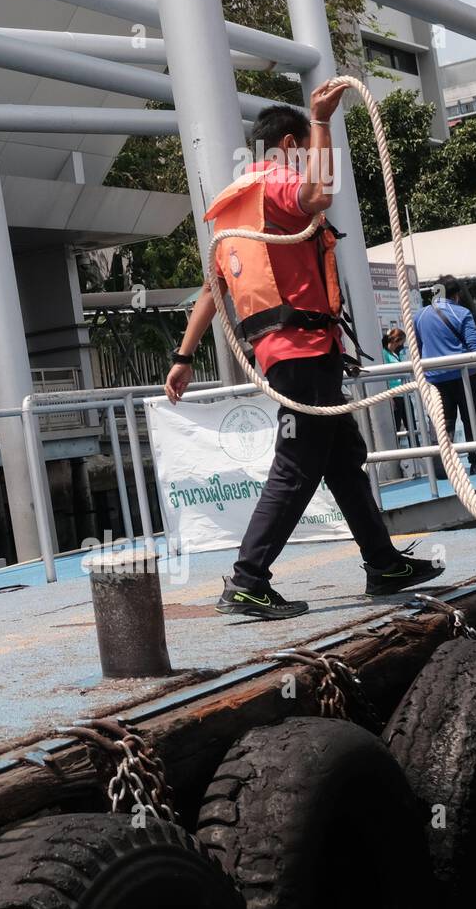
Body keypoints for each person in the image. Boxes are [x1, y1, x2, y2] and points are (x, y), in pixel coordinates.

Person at [165, 86, 444, 620]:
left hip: (286, 350)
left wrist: (184, 356)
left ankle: (383, 563)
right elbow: (319, 196)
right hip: (304, 351)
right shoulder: (279, 184)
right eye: (304, 145)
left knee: (343, 461)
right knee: (295, 467)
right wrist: (322, 120)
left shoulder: (233, 205)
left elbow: (212, 289)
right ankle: (247, 581)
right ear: (289, 144)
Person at [414, 275, 476, 480]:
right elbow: (475, 346)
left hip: (435, 380)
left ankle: (441, 469)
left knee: (441, 423)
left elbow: (418, 348)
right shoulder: (461, 313)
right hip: (466, 378)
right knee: (473, 421)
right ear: (455, 295)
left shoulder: (419, 316)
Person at [382, 328, 408, 436]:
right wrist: (390, 396)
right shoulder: (384, 354)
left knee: (411, 425)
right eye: (402, 342)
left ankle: (417, 449)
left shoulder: (396, 354)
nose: (402, 345)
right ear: (397, 340)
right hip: (395, 393)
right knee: (396, 424)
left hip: (404, 392)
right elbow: (384, 375)